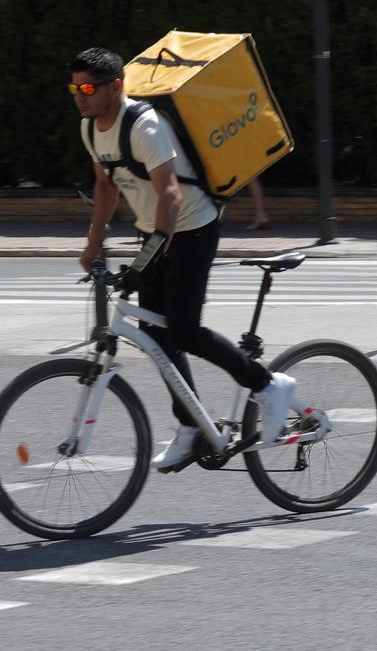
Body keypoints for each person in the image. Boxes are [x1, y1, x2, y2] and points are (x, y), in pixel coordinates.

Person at [69, 48, 296, 472]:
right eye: (74, 88)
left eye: (88, 88)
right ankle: (191, 426)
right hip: (155, 230)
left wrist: (151, 254)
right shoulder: (91, 129)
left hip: (192, 227)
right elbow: (105, 188)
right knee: (157, 335)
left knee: (184, 329)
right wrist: (91, 245)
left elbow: (170, 194)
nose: (80, 96)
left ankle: (268, 385)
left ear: (116, 87)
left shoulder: (144, 125)